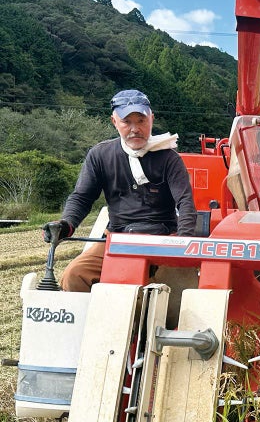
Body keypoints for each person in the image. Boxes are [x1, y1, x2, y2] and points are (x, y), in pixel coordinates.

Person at [42, 89, 197, 292]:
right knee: (74, 276)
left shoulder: (169, 158)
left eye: (141, 120)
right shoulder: (100, 155)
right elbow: (82, 197)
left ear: (151, 119)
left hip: (163, 238)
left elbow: (185, 202)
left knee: (174, 293)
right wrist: (66, 224)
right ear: (114, 122)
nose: (135, 129)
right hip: (117, 237)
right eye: (127, 122)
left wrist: (183, 243)